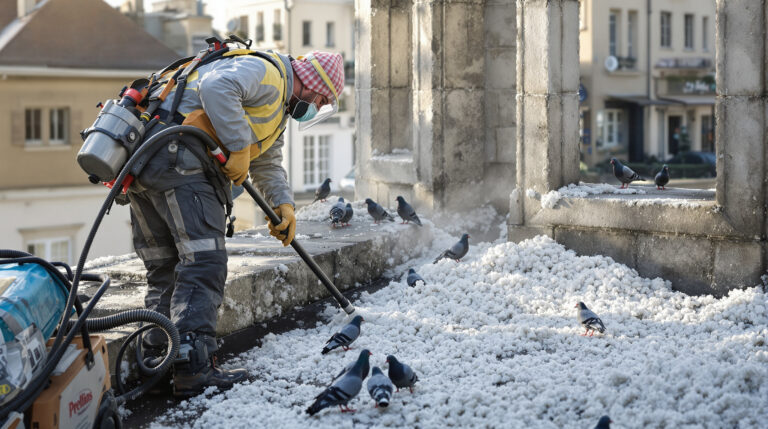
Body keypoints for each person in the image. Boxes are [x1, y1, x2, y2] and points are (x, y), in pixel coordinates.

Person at [128, 46, 344, 396]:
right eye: (322, 99)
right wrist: (238, 145)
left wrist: (283, 206)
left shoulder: (277, 110)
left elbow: (267, 163)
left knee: (165, 267)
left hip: (146, 166)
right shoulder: (269, 74)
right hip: (180, 162)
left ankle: (156, 366)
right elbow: (216, 88)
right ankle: (193, 367)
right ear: (311, 82)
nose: (317, 107)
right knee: (203, 261)